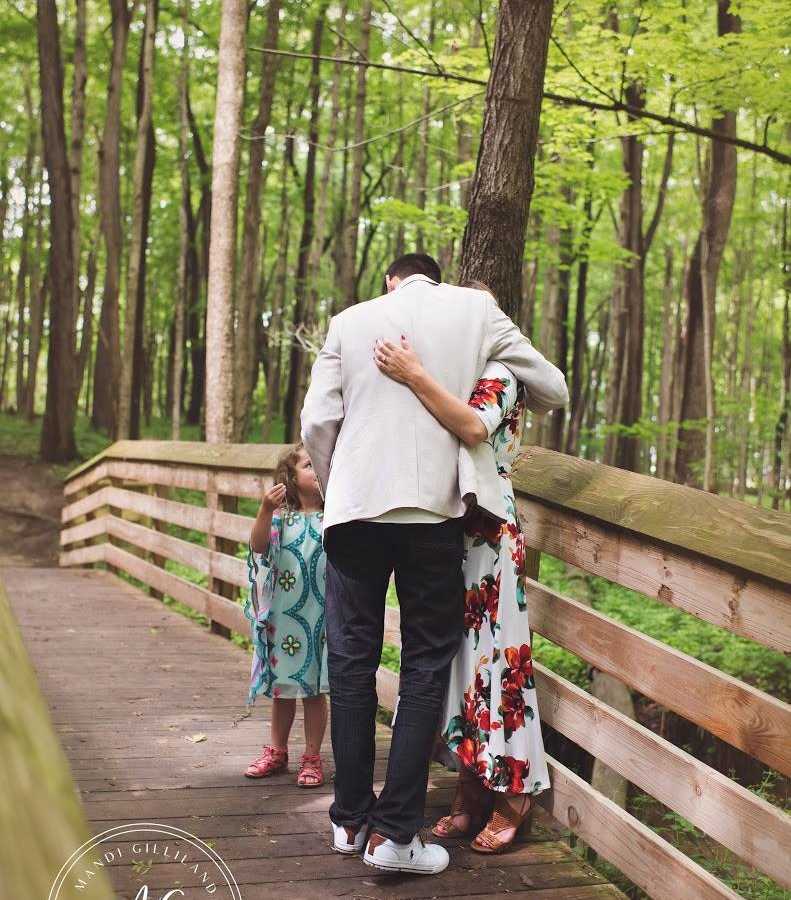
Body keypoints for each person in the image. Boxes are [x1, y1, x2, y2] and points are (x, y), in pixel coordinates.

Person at [301, 253, 567, 876]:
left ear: (390, 280)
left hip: (355, 513)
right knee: (423, 665)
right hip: (432, 517)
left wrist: (339, 487)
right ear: (435, 280)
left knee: (351, 661)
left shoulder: (351, 320)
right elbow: (552, 387)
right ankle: (397, 834)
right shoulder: (477, 313)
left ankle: (347, 821)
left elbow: (317, 420)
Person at [374, 285, 551, 854]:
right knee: (458, 666)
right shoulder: (457, 367)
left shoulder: (502, 370)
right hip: (450, 532)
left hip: (491, 538)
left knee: (500, 666)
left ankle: (513, 795)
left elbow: (474, 428)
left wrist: (413, 373)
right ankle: (471, 790)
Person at [243, 444, 329, 789]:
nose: (318, 469)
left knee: (313, 690)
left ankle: (312, 756)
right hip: (284, 615)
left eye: (323, 462)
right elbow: (259, 546)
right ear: (290, 478)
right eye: (309, 465)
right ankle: (277, 751)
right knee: (282, 689)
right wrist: (265, 509)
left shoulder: (334, 515)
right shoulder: (281, 517)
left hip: (320, 614)